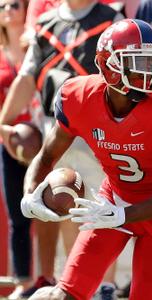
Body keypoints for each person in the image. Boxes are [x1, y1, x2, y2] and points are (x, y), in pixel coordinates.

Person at [18, 18, 152, 300]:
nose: (149, 74)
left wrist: (123, 215)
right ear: (108, 64)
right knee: (67, 294)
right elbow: (47, 155)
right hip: (113, 198)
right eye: (138, 64)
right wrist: (30, 194)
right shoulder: (78, 97)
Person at [0, 1, 122, 298]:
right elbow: (28, 76)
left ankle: (104, 287)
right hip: (57, 133)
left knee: (102, 212)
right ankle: (80, 288)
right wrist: (3, 122)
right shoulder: (46, 24)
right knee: (67, 205)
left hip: (101, 132)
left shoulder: (111, 20)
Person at [0, 0, 34, 298]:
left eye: (14, 4)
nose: (8, 10)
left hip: (44, 139)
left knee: (56, 208)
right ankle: (23, 280)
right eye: (1, 6)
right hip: (8, 142)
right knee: (17, 215)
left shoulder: (36, 47)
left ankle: (53, 276)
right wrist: (5, 131)